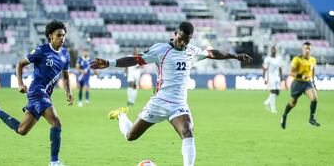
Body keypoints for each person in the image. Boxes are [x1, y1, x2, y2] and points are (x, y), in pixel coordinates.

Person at [90, 22, 252, 166]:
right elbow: (135, 60)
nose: (183, 43)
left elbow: (212, 53)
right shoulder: (161, 50)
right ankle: (121, 116)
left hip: (179, 104)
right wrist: (110, 63)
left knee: (187, 131)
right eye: (181, 38)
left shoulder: (191, 51)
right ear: (175, 34)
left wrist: (234, 56)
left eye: (186, 40)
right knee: (130, 136)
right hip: (159, 102)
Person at [0, 20, 74, 166]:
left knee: (21, 130)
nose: (62, 38)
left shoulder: (65, 55)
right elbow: (20, 64)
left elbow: (66, 76)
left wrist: (69, 92)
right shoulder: (41, 50)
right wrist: (20, 83)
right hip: (37, 92)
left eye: (64, 36)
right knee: (56, 123)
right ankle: (54, 162)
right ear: (50, 36)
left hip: (45, 95)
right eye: (59, 35)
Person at [281, 41, 320, 129]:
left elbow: (313, 70)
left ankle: (311, 118)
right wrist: (302, 75)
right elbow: (291, 72)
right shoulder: (297, 59)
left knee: (314, 99)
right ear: (302, 49)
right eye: (305, 48)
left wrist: (313, 81)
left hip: (307, 83)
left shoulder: (313, 60)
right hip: (297, 83)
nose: (307, 50)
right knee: (292, 104)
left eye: (309, 48)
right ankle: (284, 115)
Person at [262, 46, 283, 113]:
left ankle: (267, 102)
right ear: (270, 51)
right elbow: (264, 69)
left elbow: (280, 68)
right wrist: (264, 78)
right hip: (271, 77)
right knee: (273, 92)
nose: (273, 51)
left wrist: (281, 77)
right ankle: (273, 108)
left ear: (276, 51)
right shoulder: (267, 59)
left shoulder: (279, 58)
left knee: (277, 93)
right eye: (272, 50)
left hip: (277, 77)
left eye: (274, 50)